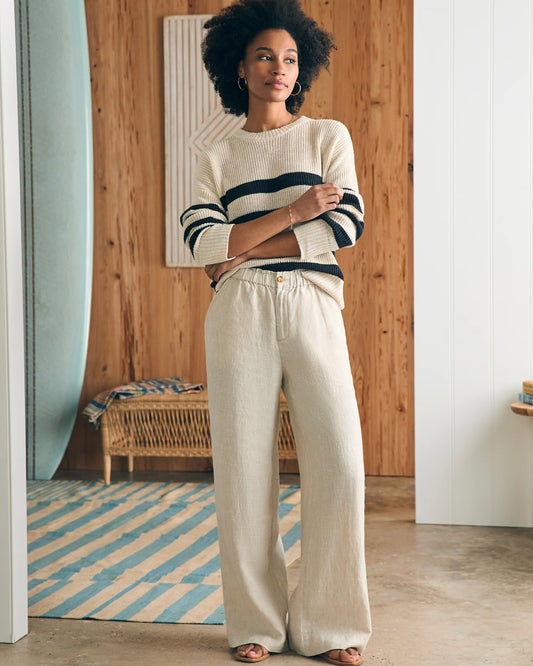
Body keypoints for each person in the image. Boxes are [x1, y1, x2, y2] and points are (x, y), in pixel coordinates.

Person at [180, 1, 371, 663]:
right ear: (238, 65)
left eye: (289, 58)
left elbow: (344, 228)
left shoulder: (327, 138)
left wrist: (243, 244)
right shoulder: (218, 155)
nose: (278, 69)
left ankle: (331, 627)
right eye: (264, 56)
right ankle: (255, 626)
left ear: (302, 67)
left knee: (340, 465)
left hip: (313, 300)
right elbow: (202, 244)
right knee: (241, 467)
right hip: (240, 313)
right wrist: (291, 211)